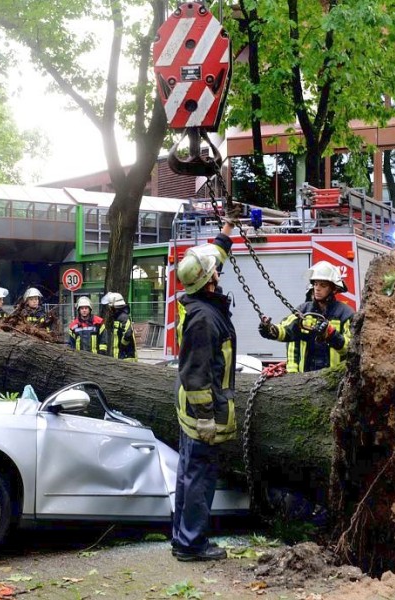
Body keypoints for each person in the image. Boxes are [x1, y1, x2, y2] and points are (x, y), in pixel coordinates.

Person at [171, 218, 237, 562]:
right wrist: (207, 418)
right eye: (215, 272)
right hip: (202, 411)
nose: (218, 273)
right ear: (209, 281)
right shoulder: (204, 320)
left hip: (191, 411)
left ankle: (182, 538)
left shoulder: (199, 304)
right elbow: (197, 376)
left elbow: (212, 258)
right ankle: (193, 544)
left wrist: (225, 234)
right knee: (198, 478)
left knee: (188, 474)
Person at [258, 260, 354, 373]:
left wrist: (331, 334)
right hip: (306, 379)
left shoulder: (345, 314)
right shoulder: (303, 311)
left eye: (323, 285)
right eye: (315, 284)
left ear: (333, 289)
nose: (317, 288)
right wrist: (270, 329)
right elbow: (286, 330)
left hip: (334, 380)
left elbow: (350, 349)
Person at [100, 292, 137, 361]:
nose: (109, 309)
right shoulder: (118, 317)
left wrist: (122, 347)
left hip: (126, 358)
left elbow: (128, 334)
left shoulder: (123, 318)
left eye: (110, 306)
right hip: (122, 358)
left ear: (114, 306)